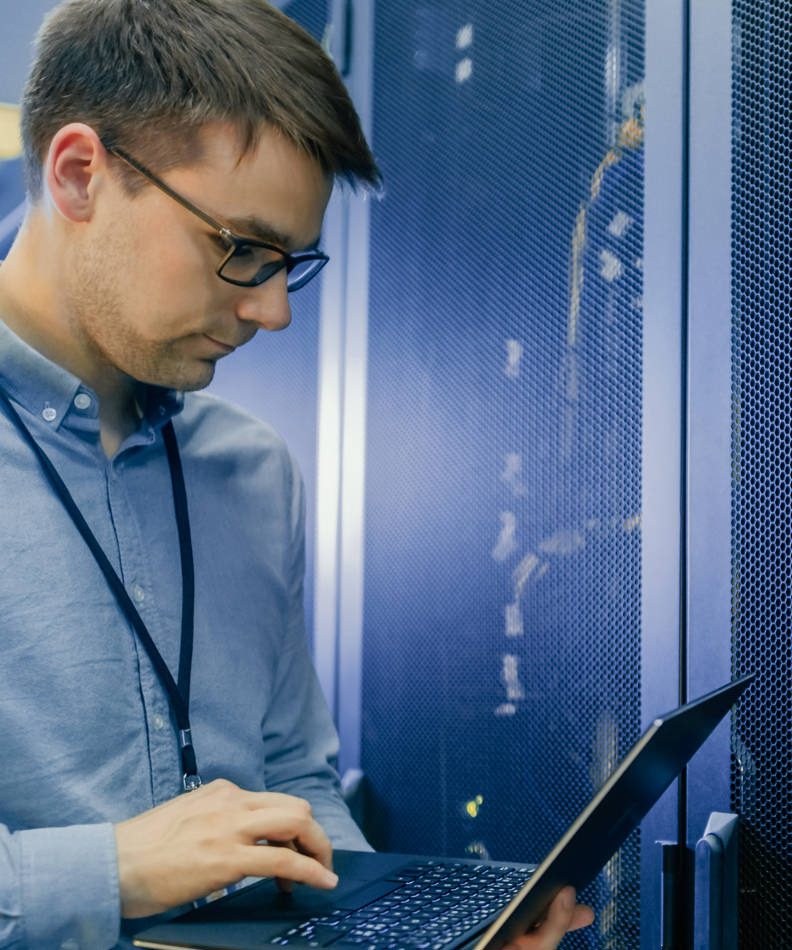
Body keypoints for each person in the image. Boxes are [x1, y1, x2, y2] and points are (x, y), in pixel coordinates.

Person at [0, 1, 594, 947]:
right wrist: (111, 874)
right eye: (242, 250)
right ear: (80, 176)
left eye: (291, 264)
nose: (273, 313)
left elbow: (297, 783)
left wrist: (399, 934)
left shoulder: (252, 471)